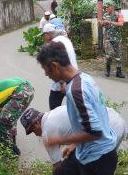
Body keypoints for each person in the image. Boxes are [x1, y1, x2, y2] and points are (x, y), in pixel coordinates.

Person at [37, 42, 118, 175]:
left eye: (45, 69)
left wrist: (59, 140)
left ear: (54, 66)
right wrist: (75, 144)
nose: (46, 74)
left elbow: (95, 132)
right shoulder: (84, 78)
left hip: (98, 158)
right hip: (89, 152)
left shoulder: (76, 91)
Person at [20, 106, 126, 174]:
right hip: (116, 121)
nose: (36, 135)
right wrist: (75, 144)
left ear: (36, 123)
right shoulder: (56, 112)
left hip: (106, 128)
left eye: (33, 131)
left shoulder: (47, 132)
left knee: (94, 165)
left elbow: (57, 166)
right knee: (104, 163)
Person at [39, 23, 78, 109]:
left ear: (48, 35)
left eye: (43, 36)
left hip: (64, 79)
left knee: (54, 105)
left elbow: (59, 62)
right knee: (75, 104)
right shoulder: (64, 39)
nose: (43, 38)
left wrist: (63, 82)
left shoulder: (55, 44)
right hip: (74, 76)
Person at [98, 3, 125, 78]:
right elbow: (100, 26)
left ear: (112, 7)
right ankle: (107, 70)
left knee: (118, 55)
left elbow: (121, 24)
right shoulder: (105, 15)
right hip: (107, 39)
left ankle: (118, 72)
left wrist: (109, 22)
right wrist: (100, 23)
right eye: (105, 8)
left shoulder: (119, 14)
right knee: (109, 54)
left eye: (107, 7)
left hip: (117, 38)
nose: (106, 9)